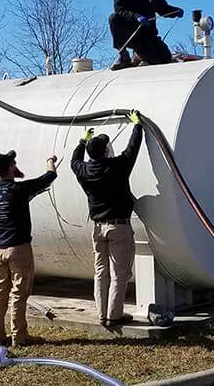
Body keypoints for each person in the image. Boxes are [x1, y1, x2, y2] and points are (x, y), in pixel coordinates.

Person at [71, 110, 143, 327]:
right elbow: (132, 149)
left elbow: (74, 161)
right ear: (105, 151)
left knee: (101, 272)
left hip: (98, 228)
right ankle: (114, 316)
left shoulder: (84, 170)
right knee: (119, 273)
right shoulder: (117, 167)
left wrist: (82, 141)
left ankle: (102, 314)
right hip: (118, 227)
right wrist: (136, 125)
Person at [0, 150, 57, 347]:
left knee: (0, 293)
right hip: (18, 249)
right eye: (13, 163)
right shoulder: (18, 189)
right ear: (10, 168)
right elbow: (49, 177)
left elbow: (12, 203)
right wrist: (50, 162)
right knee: (19, 293)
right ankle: (19, 336)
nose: (16, 165)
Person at [110, 0, 184, 70]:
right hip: (131, 34)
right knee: (114, 18)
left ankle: (140, 56)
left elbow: (162, 8)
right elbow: (119, 9)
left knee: (165, 58)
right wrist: (135, 17)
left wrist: (175, 11)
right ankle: (124, 56)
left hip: (148, 36)